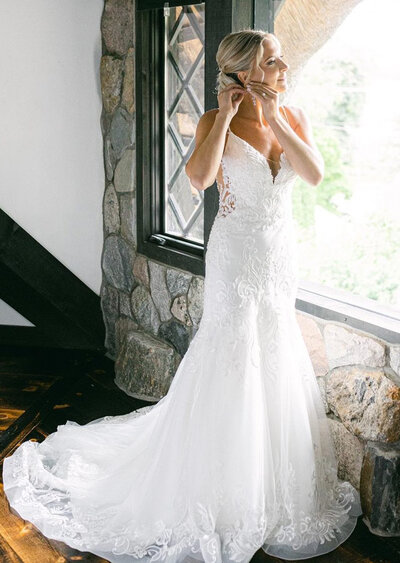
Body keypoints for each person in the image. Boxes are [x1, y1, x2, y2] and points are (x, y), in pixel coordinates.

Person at [2, 29, 362, 563]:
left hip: (279, 259)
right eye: (272, 59)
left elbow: (313, 174)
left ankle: (271, 484)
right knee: (233, 355)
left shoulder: (295, 116)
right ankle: (221, 487)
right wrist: (222, 113)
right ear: (245, 71)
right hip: (236, 258)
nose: (284, 65)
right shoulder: (218, 122)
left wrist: (277, 115)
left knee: (276, 353)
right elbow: (199, 178)